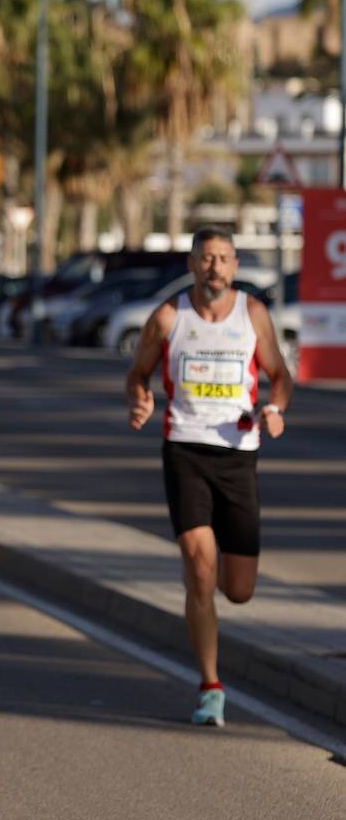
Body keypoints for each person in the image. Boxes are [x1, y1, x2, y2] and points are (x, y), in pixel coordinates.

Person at [125, 226, 293, 728]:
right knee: (200, 566)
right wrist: (140, 397)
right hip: (185, 450)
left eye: (223, 258)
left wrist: (276, 409)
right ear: (192, 264)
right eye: (205, 257)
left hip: (239, 455)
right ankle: (210, 687)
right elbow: (138, 372)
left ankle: (208, 598)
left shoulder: (252, 315)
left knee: (238, 589)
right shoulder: (169, 316)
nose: (214, 266)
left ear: (235, 265)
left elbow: (280, 375)